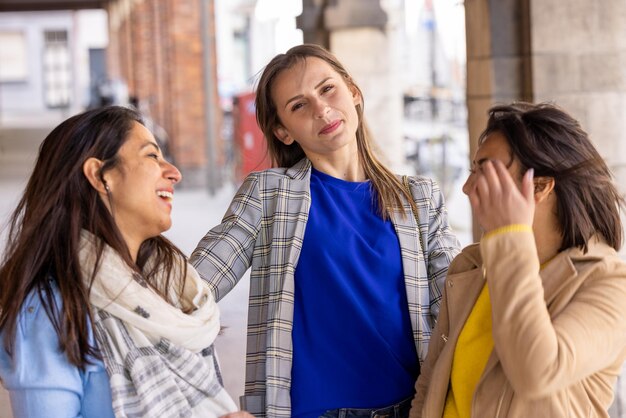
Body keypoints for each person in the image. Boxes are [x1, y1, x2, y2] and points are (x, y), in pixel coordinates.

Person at [190, 43, 460, 418]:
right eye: (298, 105)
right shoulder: (268, 194)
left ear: (354, 92)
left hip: (412, 409)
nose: (321, 109)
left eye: (327, 89)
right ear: (283, 131)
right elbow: (192, 289)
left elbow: (457, 308)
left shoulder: (420, 199)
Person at [0, 106, 253, 418]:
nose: (174, 172)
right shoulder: (49, 309)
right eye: (152, 156)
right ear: (100, 175)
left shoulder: (170, 287)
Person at [410, 102, 626, 417]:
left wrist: (510, 234)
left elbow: (536, 371)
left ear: (540, 186)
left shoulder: (608, 283)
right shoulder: (472, 265)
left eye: (485, 170)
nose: (468, 187)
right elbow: (431, 386)